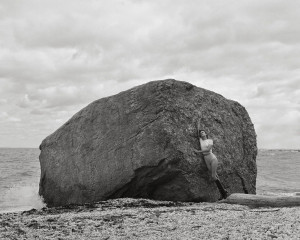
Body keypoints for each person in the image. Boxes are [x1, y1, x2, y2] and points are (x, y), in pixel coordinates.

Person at [195, 129, 228, 199]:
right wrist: (198, 121)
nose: (202, 133)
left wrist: (198, 151)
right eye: (200, 133)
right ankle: (224, 191)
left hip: (212, 158)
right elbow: (197, 130)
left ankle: (223, 193)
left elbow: (208, 149)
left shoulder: (210, 141)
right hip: (206, 159)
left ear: (206, 133)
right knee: (215, 175)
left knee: (213, 176)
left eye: (203, 132)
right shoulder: (200, 140)